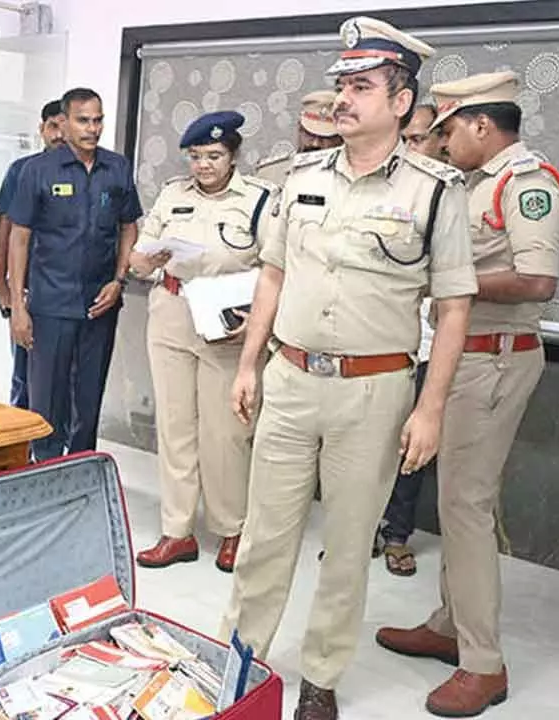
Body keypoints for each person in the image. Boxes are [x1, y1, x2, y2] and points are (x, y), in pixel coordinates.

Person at [219, 16, 477, 720]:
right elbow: (271, 275)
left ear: (401, 103)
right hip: (291, 380)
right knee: (265, 535)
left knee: (345, 543)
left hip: (374, 392)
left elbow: (453, 309)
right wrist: (248, 366)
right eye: (341, 84)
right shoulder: (301, 175)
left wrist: (429, 410)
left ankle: (323, 675)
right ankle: (239, 662)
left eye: (361, 86)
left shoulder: (434, 191)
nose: (343, 98)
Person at [377, 70, 559, 718]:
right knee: (458, 502)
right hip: (466, 359)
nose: (445, 140)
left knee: (466, 509)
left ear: (483, 125)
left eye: (451, 129)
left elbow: (538, 279)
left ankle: (484, 664)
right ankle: (450, 624)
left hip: (497, 361)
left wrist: (455, 282)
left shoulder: (525, 182)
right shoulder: (474, 183)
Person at [131, 111, 278, 573]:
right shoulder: (173, 193)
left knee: (226, 433)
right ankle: (177, 532)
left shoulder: (259, 199)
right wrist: (143, 259)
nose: (204, 166)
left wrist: (259, 319)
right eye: (196, 157)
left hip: (226, 321)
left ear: (233, 155)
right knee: (175, 429)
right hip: (172, 312)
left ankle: (231, 529)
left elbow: (277, 267)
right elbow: (139, 258)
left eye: (214, 156)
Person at [6, 87, 143, 461]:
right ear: (63, 123)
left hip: (100, 305)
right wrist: (18, 305)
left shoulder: (116, 167)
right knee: (45, 399)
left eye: (98, 120)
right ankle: (45, 468)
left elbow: (129, 227)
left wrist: (119, 280)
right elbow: (19, 238)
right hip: (50, 305)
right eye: (83, 120)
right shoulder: (37, 171)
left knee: (89, 396)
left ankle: (80, 467)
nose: (93, 129)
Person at [377, 102, 450, 577]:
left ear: (440, 141)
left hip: (431, 343)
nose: (409, 148)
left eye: (418, 138)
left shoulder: (450, 194)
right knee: (374, 444)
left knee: (412, 449)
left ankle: (397, 535)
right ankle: (364, 529)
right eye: (404, 138)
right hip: (383, 341)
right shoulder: (385, 190)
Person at [0, 100, 67, 410]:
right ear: (42, 129)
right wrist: (3, 285)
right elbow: (5, 231)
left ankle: (57, 454)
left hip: (65, 293)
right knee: (24, 373)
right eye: (53, 126)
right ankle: (21, 452)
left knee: (63, 379)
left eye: (66, 127)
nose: (59, 135)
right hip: (26, 289)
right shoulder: (22, 170)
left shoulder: (91, 173)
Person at [253, 90, 344, 185]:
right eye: (309, 134)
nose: (315, 143)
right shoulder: (271, 173)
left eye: (325, 137)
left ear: (341, 138)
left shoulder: (351, 177)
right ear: (299, 129)